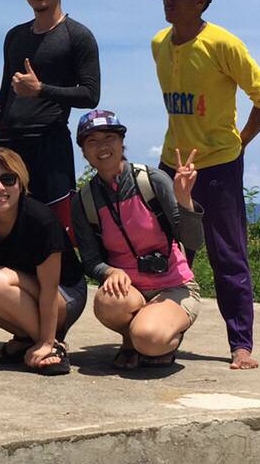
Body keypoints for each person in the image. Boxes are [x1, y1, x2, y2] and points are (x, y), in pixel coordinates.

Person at [149, 0, 260, 370]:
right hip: (173, 163)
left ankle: (241, 345)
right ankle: (158, 338)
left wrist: (241, 141)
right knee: (167, 254)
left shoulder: (223, 43)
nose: (168, 2)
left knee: (227, 255)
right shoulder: (159, 43)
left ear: (200, 1)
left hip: (219, 165)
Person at [71, 110, 204, 369]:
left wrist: (185, 201)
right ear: (84, 152)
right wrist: (110, 271)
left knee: (149, 338)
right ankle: (131, 341)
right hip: (129, 290)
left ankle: (154, 337)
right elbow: (90, 260)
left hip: (173, 286)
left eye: (109, 138)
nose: (102, 147)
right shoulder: (84, 200)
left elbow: (194, 242)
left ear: (122, 143)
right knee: (107, 302)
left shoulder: (151, 181)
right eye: (92, 141)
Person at [0, 147, 85, 374]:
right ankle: (27, 339)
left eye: (8, 179)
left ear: (21, 183)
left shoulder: (41, 220)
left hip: (64, 295)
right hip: (22, 290)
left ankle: (52, 346)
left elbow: (49, 288)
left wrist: (46, 341)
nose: (0, 187)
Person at [0, 0, 100, 230]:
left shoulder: (78, 36)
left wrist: (41, 89)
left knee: (56, 229)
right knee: (8, 228)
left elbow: (91, 94)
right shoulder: (14, 36)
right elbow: (5, 94)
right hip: (9, 145)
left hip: (50, 145)